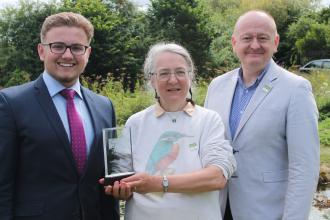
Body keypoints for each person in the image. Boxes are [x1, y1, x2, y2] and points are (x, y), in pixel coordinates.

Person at [0, 12, 119, 220]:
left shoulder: (105, 106)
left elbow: (110, 176)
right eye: (58, 46)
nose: (67, 55)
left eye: (76, 48)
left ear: (88, 53)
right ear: (41, 51)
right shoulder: (10, 104)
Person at [204, 10, 320, 220]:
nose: (255, 45)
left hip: (267, 212)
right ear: (234, 43)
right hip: (218, 209)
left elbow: (304, 168)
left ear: (275, 42)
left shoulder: (296, 89)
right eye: (247, 38)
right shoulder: (216, 86)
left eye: (263, 38)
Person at [101, 42, 237, 220]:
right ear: (152, 79)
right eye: (164, 73)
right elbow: (122, 177)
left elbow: (217, 177)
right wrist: (122, 189)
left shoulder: (209, 120)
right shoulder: (134, 123)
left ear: (190, 76)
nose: (173, 80)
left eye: (180, 72)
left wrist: (157, 183)